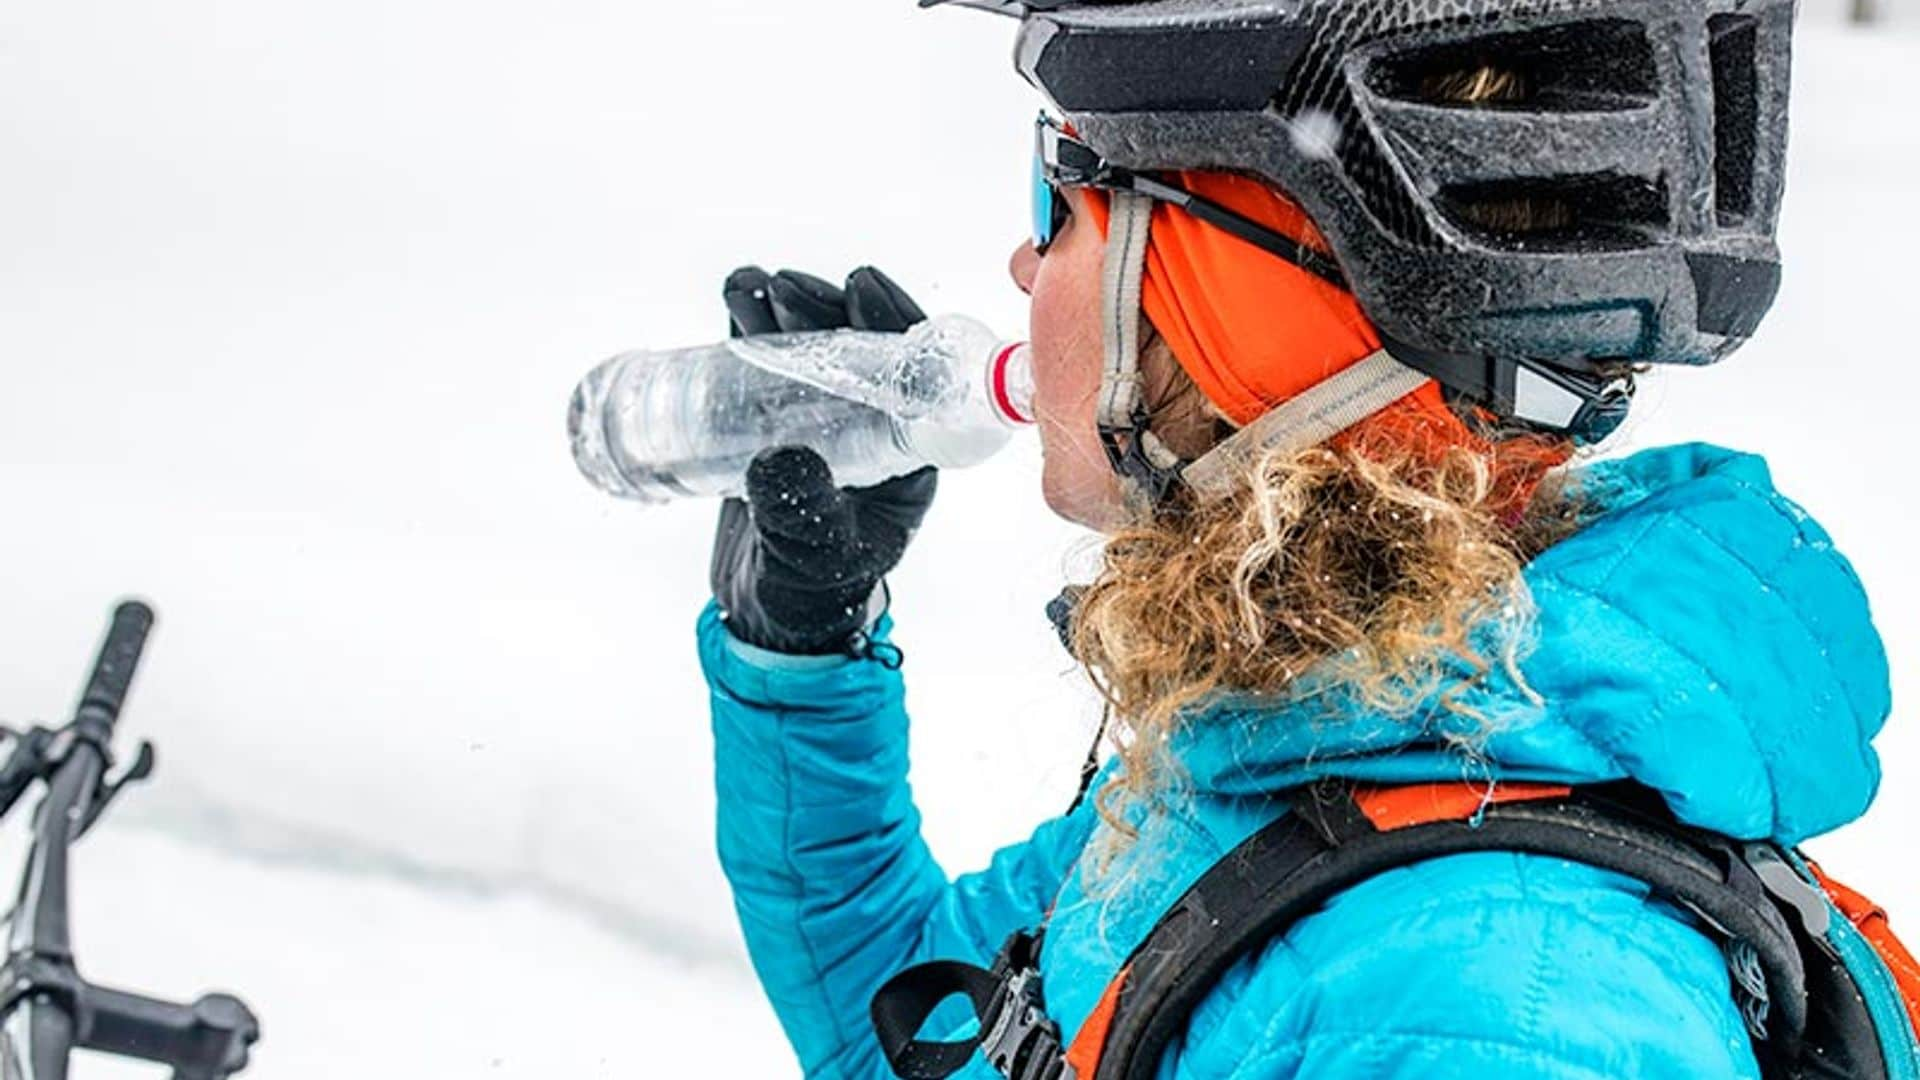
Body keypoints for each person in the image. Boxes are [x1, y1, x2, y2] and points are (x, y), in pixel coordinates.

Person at [697, 2, 1893, 1077]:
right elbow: (919, 1035)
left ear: (1237, 316)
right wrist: (803, 658)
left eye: (1062, 190)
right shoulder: (1349, 727)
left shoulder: (1473, 1008)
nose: (1024, 259)